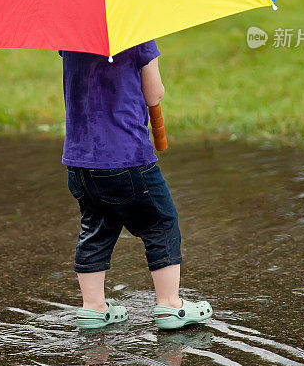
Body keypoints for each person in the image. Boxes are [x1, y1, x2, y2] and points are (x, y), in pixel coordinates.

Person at [58, 41, 212, 330]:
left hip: (79, 162)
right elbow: (153, 93)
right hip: (126, 158)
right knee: (160, 222)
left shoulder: (71, 38)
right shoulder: (137, 35)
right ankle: (170, 304)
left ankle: (93, 308)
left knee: (96, 228)